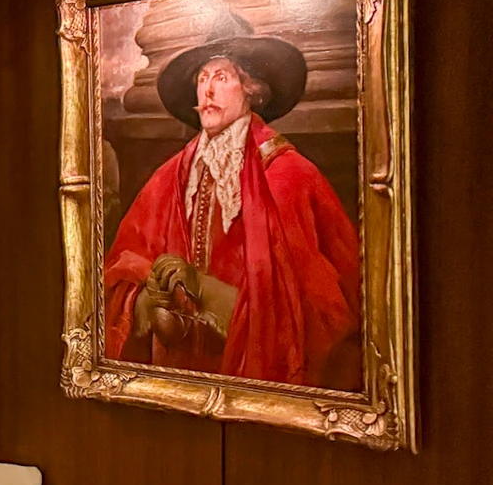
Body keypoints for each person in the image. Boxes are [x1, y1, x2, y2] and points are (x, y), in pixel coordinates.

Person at [103, 22, 362, 390]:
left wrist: (208, 292)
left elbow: (320, 308)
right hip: (177, 386)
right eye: (202, 78)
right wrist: (149, 293)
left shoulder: (290, 176)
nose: (207, 90)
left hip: (253, 388)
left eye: (221, 77)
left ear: (252, 91)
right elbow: (119, 264)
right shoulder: (171, 175)